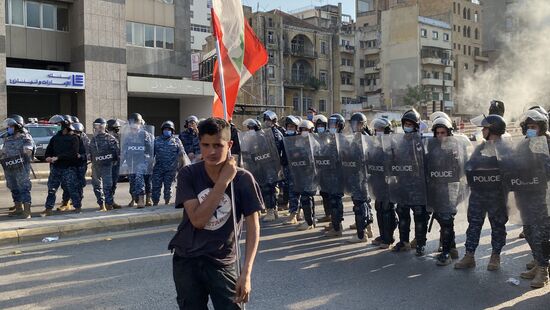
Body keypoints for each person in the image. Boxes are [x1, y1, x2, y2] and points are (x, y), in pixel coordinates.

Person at [169, 118, 263, 309]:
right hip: (188, 258)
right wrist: (223, 182)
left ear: (229, 145)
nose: (211, 151)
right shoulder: (188, 174)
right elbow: (198, 220)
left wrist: (246, 274)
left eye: (218, 145)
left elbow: (253, 227)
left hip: (222, 261)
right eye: (205, 145)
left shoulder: (244, 179)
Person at [455, 114, 510, 271]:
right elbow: (469, 166)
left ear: (492, 129)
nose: (483, 130)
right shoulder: (481, 147)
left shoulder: (505, 149)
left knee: (498, 226)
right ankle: (469, 256)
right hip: (478, 194)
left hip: (497, 196)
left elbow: (510, 171)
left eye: (485, 128)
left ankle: (495, 256)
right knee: (474, 225)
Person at [514, 110, 550, 288]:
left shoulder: (547, 144)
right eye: (528, 127)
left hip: (544, 198)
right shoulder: (523, 144)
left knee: (541, 235)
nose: (530, 130)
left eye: (533, 127)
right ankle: (538, 262)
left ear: (542, 128)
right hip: (526, 194)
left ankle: (543, 271)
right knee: (528, 232)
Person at [426, 116, 464, 265]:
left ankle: (447, 252)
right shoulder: (431, 149)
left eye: (443, 132)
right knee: (443, 220)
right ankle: (452, 247)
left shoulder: (455, 150)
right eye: (438, 133)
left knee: (447, 220)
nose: (440, 136)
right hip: (436, 190)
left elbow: (459, 171)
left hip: (450, 190)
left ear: (449, 133)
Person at [392, 109, 430, 256]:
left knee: (420, 215)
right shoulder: (400, 141)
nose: (407, 126)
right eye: (405, 124)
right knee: (402, 212)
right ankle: (404, 242)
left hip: (418, 185)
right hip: (403, 184)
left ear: (416, 126)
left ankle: (420, 244)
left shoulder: (422, 141)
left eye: (410, 124)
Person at [41, 115, 84, 216]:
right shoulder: (55, 138)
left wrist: (58, 157)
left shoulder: (74, 138)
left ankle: (77, 207)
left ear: (65, 125)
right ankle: (48, 208)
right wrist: (47, 157)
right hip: (56, 168)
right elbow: (48, 151)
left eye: (58, 125)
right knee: (51, 189)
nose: (56, 126)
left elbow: (73, 153)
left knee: (72, 188)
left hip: (68, 168)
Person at [369, 117, 397, 249]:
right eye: (376, 129)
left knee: (387, 209)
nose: (377, 132)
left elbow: (394, 163)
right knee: (379, 208)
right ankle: (382, 235)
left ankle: (388, 238)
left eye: (379, 129)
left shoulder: (391, 144)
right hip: (377, 181)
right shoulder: (375, 144)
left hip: (388, 182)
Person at [284, 119, 317, 231]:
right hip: (300, 172)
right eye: (302, 129)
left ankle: (309, 222)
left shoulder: (314, 142)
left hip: (309, 173)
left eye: (306, 129)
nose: (304, 131)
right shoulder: (298, 141)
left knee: (307, 197)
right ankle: (309, 221)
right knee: (305, 197)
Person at [346, 112, 374, 243]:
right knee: (364, 203)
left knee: (359, 204)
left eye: (356, 123)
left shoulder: (363, 139)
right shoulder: (359, 137)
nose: (353, 126)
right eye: (352, 123)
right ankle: (367, 227)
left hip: (361, 176)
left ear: (362, 125)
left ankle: (361, 235)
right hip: (358, 175)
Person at [1, 118, 34, 219]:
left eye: (11, 127)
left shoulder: (25, 137)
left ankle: (27, 211)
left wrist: (24, 152)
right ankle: (18, 208)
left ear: (18, 126)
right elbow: (3, 150)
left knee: (24, 187)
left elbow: (28, 150)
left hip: (21, 167)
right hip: (9, 166)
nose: (9, 129)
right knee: (13, 186)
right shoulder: (7, 137)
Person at [122, 113, 154, 209]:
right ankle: (134, 198)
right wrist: (122, 160)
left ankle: (143, 199)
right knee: (132, 181)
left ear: (140, 123)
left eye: (136, 122)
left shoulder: (145, 134)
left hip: (143, 161)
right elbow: (124, 149)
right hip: (131, 162)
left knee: (142, 178)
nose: (134, 124)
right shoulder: (128, 136)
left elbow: (150, 149)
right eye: (132, 122)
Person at [152, 121, 186, 206]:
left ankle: (167, 202)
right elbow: (151, 154)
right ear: (162, 130)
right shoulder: (156, 140)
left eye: (169, 129)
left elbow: (182, 154)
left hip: (171, 169)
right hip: (158, 168)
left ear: (172, 130)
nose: (167, 131)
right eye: (165, 129)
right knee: (156, 187)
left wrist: (182, 165)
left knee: (168, 187)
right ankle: (155, 203)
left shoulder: (176, 140)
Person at [89, 118, 120, 211]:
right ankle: (101, 204)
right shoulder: (93, 139)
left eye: (99, 126)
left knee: (108, 185)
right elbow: (90, 152)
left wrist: (113, 159)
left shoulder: (111, 138)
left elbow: (116, 153)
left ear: (104, 126)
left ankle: (109, 204)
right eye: (96, 126)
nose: (97, 128)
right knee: (96, 185)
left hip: (107, 165)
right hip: (96, 165)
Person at [323, 113, 346, 236]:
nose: (332, 126)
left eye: (334, 124)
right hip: (329, 174)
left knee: (335, 201)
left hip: (337, 175)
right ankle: (335, 223)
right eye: (330, 124)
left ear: (340, 126)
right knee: (332, 200)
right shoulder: (330, 138)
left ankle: (337, 229)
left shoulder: (342, 139)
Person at [262, 110, 284, 222]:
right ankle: (273, 210)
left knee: (269, 188)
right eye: (265, 120)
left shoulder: (275, 133)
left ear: (274, 121)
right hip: (266, 164)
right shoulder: (265, 132)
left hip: (273, 165)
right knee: (268, 188)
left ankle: (271, 210)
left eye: (268, 120)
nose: (266, 122)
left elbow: (275, 149)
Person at [313, 114, 332, 223]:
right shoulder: (315, 136)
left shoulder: (329, 136)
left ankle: (331, 216)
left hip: (329, 169)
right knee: (323, 192)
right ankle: (327, 214)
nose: (319, 127)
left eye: (321, 125)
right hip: (320, 169)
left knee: (329, 194)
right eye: (318, 125)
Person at [107, 119, 123, 208]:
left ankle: (111, 200)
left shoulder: (117, 137)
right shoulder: (105, 137)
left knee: (114, 183)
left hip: (116, 162)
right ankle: (107, 202)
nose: (117, 130)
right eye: (115, 129)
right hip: (108, 163)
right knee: (108, 183)